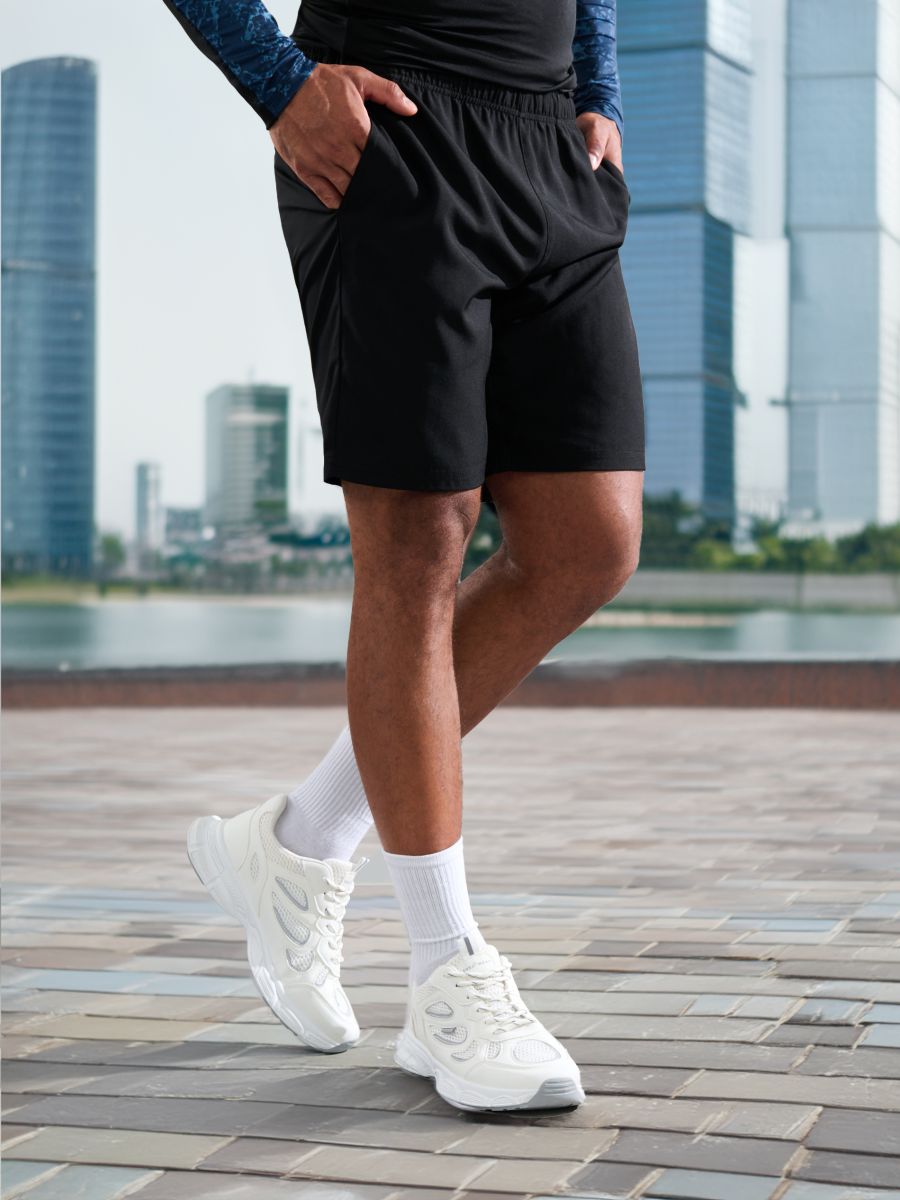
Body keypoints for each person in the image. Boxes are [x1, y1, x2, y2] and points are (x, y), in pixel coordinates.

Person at [168, 0, 644, 1112]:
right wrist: (279, 83)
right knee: (419, 544)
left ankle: (299, 842)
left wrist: (598, 88)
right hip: (393, 119)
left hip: (552, 145)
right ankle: (445, 972)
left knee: (590, 542)